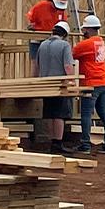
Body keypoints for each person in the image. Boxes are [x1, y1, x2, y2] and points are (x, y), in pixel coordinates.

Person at [72, 15, 105, 155]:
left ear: (88, 29)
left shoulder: (86, 44)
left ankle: (85, 144)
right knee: (104, 114)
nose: (83, 31)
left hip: (91, 83)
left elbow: (72, 54)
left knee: (86, 114)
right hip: (104, 82)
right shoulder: (100, 41)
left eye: (84, 29)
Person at [36, 21, 76, 152]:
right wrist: (72, 81)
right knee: (59, 114)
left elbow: (36, 66)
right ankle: (57, 142)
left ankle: (51, 141)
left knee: (49, 112)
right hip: (60, 85)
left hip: (45, 85)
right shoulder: (64, 45)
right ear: (64, 34)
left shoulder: (42, 45)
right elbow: (68, 66)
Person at [27, 0, 69, 75]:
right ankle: (35, 83)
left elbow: (63, 24)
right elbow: (30, 20)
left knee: (52, 63)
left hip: (54, 40)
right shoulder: (40, 6)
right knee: (36, 63)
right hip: (37, 39)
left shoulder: (62, 11)